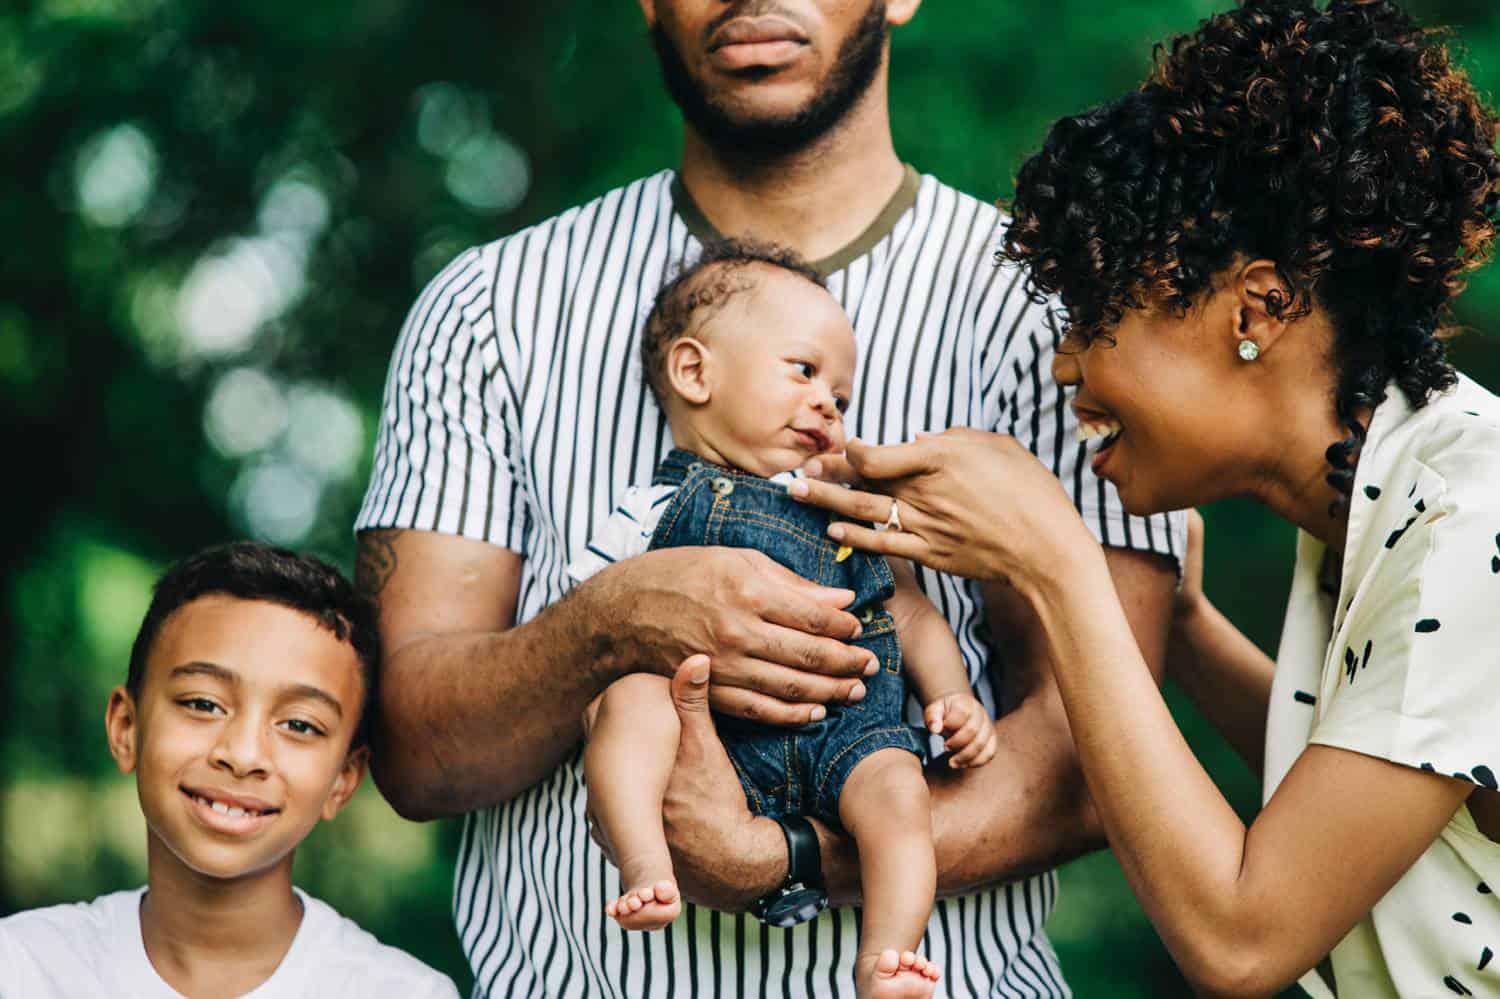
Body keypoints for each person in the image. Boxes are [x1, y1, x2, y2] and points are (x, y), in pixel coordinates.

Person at [354, 0, 1184, 995]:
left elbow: (1104, 764)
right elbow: (411, 748)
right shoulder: (490, 310)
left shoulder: (1057, 314)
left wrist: (777, 857)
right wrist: (610, 627)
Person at [790, 1, 1500, 996]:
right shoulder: (1393, 495)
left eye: (1095, 313)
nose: (1068, 363)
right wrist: (1189, 629)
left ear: (1258, 308)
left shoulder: (1471, 528)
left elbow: (1243, 939)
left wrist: (1058, 567)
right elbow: (1363, 798)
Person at [571, 240, 996, 997]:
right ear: (695, 372)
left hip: (847, 731)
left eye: (842, 394)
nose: (829, 402)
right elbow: (591, 633)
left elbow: (912, 612)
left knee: (903, 796)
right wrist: (612, 690)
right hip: (706, 741)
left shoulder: (842, 508)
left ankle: (888, 955)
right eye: (804, 371)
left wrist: (951, 696)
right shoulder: (650, 509)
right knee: (627, 704)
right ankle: (645, 861)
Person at [0, 542, 459, 999]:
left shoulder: (404, 992)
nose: (241, 755)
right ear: (126, 728)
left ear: (343, 779)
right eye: (203, 704)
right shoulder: (23, 968)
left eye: (299, 725)